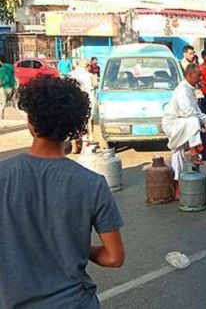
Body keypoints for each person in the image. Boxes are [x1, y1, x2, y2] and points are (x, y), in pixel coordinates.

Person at [0, 76, 124, 308]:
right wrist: (77, 247)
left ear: (31, 123)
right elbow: (114, 257)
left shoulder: (3, 175)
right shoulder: (92, 184)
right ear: (73, 128)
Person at [162, 64, 206, 198]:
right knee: (194, 120)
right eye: (198, 75)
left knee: (177, 153)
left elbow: (195, 109)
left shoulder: (191, 89)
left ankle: (177, 189)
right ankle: (194, 151)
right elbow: (187, 112)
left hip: (181, 124)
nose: (201, 78)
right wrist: (204, 119)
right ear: (189, 75)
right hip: (174, 124)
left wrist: (205, 120)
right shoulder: (182, 90)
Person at [68, 59, 98, 152]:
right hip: (85, 102)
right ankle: (85, 146)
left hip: (70, 101)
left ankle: (74, 147)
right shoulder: (90, 76)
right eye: (90, 66)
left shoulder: (70, 74)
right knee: (86, 123)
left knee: (72, 124)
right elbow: (96, 85)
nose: (91, 68)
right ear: (87, 66)